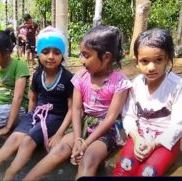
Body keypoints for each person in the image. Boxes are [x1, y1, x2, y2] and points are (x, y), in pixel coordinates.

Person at [24, 25, 131, 180]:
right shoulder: (80, 77)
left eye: (86, 56)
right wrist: (76, 140)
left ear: (106, 57)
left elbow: (110, 118)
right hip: (81, 124)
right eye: (81, 54)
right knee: (59, 150)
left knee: (88, 160)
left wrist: (85, 144)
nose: (81, 60)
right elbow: (76, 109)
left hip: (104, 130)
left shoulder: (120, 83)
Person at [0, 27, 73, 180]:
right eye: (45, 52)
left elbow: (72, 109)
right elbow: (32, 99)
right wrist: (29, 120)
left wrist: (59, 133)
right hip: (36, 114)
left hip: (55, 116)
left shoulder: (68, 78)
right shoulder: (38, 75)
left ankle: (9, 174)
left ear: (62, 55)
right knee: (13, 139)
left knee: (27, 141)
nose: (51, 57)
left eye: (56, 53)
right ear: (38, 53)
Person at [112, 29, 182, 176]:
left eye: (158, 60)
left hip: (165, 141)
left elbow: (178, 123)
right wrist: (136, 137)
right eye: (145, 61)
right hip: (139, 137)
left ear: (168, 59)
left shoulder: (178, 85)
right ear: (137, 62)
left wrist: (154, 144)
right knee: (123, 170)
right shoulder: (135, 84)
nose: (151, 67)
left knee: (147, 173)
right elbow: (128, 115)